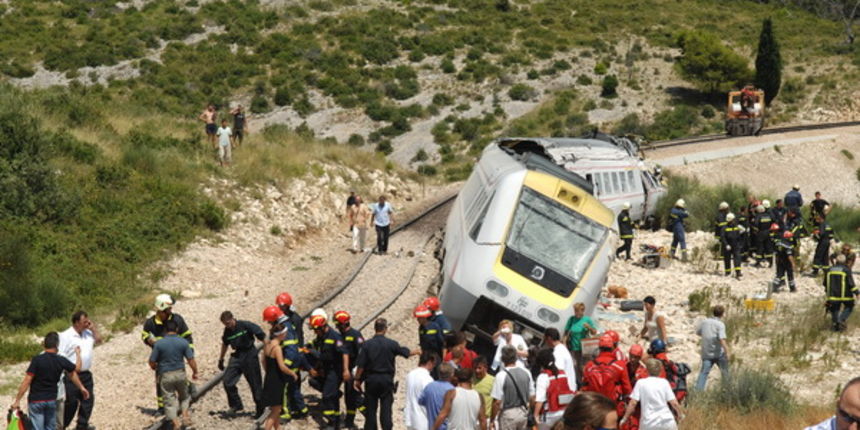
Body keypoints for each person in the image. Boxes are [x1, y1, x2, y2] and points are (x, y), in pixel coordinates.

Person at [11, 332, 89, 430]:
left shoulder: (37, 360)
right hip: (51, 400)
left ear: (44, 344)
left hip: (36, 400)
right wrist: (78, 354)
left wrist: (17, 400)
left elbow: (27, 380)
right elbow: (75, 370)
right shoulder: (60, 360)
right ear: (57, 345)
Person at [141, 294, 193, 414]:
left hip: (176, 356)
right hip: (161, 358)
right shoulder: (150, 323)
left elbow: (187, 336)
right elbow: (144, 335)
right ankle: (162, 407)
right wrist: (148, 339)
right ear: (160, 310)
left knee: (179, 379)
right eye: (168, 309)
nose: (171, 311)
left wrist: (190, 353)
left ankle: (185, 398)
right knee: (161, 383)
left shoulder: (177, 320)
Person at [148, 320, 198, 430]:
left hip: (165, 375)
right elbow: (191, 359)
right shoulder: (183, 342)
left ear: (165, 330)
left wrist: (155, 367)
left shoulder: (159, 344)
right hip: (180, 374)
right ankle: (185, 417)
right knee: (184, 397)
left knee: (169, 401)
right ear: (176, 330)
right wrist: (195, 372)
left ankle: (176, 424)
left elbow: (151, 361)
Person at [218, 311, 265, 417]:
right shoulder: (227, 331)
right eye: (225, 324)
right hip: (237, 356)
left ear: (233, 319)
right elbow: (225, 344)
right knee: (227, 381)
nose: (227, 326)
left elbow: (261, 335)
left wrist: (270, 350)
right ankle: (236, 404)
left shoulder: (245, 325)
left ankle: (260, 408)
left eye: (228, 323)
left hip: (249, 354)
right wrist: (221, 359)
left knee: (255, 383)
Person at [58, 311, 100, 430]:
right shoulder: (66, 336)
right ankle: (61, 426)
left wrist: (94, 329)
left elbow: (99, 340)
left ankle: (82, 425)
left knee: (88, 400)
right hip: (71, 374)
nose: (87, 323)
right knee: (71, 403)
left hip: (86, 373)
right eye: (84, 321)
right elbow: (60, 355)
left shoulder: (88, 333)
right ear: (76, 323)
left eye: (88, 321)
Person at [309, 314, 349, 430]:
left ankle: (331, 422)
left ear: (322, 327)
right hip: (326, 369)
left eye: (316, 330)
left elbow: (344, 353)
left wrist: (346, 370)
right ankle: (336, 422)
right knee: (317, 384)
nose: (315, 333)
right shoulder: (322, 337)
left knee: (327, 396)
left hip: (335, 371)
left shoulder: (335, 337)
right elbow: (323, 356)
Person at [620, 359, 684, 430]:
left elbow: (633, 403)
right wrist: (680, 415)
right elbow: (674, 403)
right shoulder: (664, 383)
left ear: (647, 370)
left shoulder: (641, 383)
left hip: (649, 423)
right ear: (660, 370)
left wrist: (624, 418)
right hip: (667, 422)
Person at [580, 335, 632, 418]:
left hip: (594, 408)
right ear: (612, 348)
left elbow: (584, 388)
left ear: (599, 348)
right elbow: (627, 390)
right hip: (613, 408)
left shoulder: (589, 366)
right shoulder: (620, 365)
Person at [261, 322, 298, 430]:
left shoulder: (267, 344)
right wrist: (292, 373)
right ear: (280, 334)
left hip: (269, 378)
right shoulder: (277, 348)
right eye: (285, 333)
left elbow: (263, 361)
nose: (286, 335)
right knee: (275, 411)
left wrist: (268, 372)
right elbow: (282, 366)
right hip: (277, 381)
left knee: (276, 408)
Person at [490, 346, 535, 430]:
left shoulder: (501, 375)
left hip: (508, 414)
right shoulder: (526, 372)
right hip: (523, 412)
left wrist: (492, 420)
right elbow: (532, 397)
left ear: (503, 359)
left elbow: (497, 402)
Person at [334, 310, 365, 429]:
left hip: (353, 370)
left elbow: (362, 353)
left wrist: (357, 372)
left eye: (337, 324)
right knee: (348, 397)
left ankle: (367, 414)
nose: (336, 327)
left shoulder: (356, 335)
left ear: (342, 324)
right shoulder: (340, 336)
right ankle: (349, 421)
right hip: (342, 369)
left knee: (353, 396)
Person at [532, 349, 574, 430]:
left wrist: (535, 416)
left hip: (550, 415)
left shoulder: (543, 377)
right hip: (563, 412)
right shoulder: (563, 373)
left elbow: (540, 399)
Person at [694, 306, 730, 391]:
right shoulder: (720, 325)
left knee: (703, 374)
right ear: (722, 314)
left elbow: (698, 332)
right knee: (725, 373)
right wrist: (727, 352)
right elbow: (722, 339)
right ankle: (728, 391)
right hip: (718, 353)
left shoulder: (704, 322)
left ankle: (698, 393)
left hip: (706, 353)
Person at [561, 303, 597, 386]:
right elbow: (566, 332)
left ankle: (585, 382)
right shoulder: (571, 319)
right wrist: (564, 342)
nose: (576, 312)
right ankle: (579, 382)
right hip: (574, 346)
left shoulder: (587, 320)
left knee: (582, 366)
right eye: (575, 310)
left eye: (578, 311)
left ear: (582, 311)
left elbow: (594, 332)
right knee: (576, 365)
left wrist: (589, 327)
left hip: (584, 347)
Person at [825, 254, 858, 332]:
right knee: (850, 305)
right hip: (845, 295)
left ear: (836, 261)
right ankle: (841, 319)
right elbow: (851, 283)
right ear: (844, 261)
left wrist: (828, 292)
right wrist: (856, 292)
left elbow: (825, 283)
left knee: (834, 308)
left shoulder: (829, 270)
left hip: (832, 295)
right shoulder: (846, 270)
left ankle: (835, 325)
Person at [405, 352, 438, 430]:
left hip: (410, 418)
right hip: (423, 420)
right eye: (434, 364)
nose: (433, 367)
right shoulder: (428, 379)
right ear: (429, 362)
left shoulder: (410, 375)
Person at [420, 363, 457, 430]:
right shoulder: (453, 390)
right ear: (452, 374)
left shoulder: (429, 386)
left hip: (431, 426)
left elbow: (421, 401)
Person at [472, 357, 494, 429]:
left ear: (485, 367)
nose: (477, 371)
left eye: (479, 368)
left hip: (487, 419)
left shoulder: (493, 381)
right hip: (473, 420)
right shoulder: (470, 380)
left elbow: (497, 401)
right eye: (475, 368)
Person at [720, 213, 742, 279]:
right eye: (733, 219)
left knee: (737, 258)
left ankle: (738, 272)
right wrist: (726, 245)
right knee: (727, 259)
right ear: (731, 220)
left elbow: (738, 236)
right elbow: (723, 237)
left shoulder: (736, 227)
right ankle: (727, 272)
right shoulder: (724, 228)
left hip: (735, 245)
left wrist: (739, 243)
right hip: (728, 245)